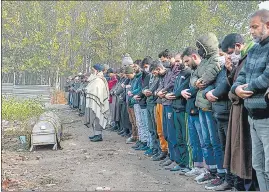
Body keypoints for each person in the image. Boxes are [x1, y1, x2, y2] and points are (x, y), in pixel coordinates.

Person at [231, 9, 269, 191]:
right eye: (250, 28)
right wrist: (237, 88)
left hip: (266, 117)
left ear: (267, 26)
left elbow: (267, 77)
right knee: (258, 166)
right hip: (252, 117)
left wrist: (247, 87)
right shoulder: (253, 50)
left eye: (255, 27)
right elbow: (242, 75)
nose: (251, 31)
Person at [221, 33, 255, 191]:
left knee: (246, 151)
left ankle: (247, 186)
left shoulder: (250, 57)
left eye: (230, 52)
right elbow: (235, 83)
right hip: (237, 110)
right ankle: (240, 183)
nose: (229, 56)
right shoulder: (240, 61)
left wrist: (233, 92)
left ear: (238, 46)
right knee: (238, 150)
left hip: (245, 111)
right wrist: (230, 71)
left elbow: (244, 86)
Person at [190, 32, 225, 188]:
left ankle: (220, 172)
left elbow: (205, 78)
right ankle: (210, 170)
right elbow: (194, 78)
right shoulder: (204, 61)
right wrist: (196, 82)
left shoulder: (216, 60)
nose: (199, 51)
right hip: (201, 106)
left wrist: (197, 82)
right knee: (205, 142)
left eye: (201, 47)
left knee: (214, 141)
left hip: (210, 108)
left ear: (208, 46)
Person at [180, 47, 207, 180]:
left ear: (194, 56)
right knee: (194, 141)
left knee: (204, 141)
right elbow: (192, 87)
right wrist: (184, 91)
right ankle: (197, 166)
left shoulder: (204, 70)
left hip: (199, 109)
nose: (186, 64)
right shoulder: (193, 71)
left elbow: (200, 87)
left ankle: (207, 169)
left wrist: (189, 92)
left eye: (187, 61)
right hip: (190, 108)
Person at [165, 52, 192, 173]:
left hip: (182, 109)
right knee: (178, 137)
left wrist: (173, 95)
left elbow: (181, 90)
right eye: (175, 61)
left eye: (178, 61)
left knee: (186, 138)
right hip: (175, 107)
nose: (177, 63)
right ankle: (181, 162)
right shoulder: (178, 74)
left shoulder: (188, 73)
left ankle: (187, 163)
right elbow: (176, 90)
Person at [154, 50, 180, 163]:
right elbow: (163, 84)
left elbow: (172, 84)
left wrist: (162, 91)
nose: (165, 62)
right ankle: (170, 155)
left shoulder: (177, 70)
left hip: (171, 103)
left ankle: (175, 158)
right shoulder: (168, 71)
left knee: (172, 132)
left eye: (166, 60)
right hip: (164, 102)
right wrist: (158, 92)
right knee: (166, 131)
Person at [85, 64, 110, 142]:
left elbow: (96, 90)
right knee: (94, 118)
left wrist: (88, 91)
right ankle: (96, 134)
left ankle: (98, 135)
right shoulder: (95, 79)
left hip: (98, 102)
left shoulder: (99, 80)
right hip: (94, 102)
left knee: (98, 117)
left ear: (98, 71)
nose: (92, 72)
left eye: (93, 70)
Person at [132, 59, 151, 151]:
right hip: (140, 102)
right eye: (144, 67)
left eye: (146, 67)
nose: (145, 69)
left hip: (146, 102)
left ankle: (148, 143)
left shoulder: (149, 76)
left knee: (148, 125)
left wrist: (139, 94)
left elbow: (144, 88)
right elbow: (142, 88)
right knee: (140, 123)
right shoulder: (141, 76)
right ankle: (143, 140)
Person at [143, 60, 161, 157]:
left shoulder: (159, 78)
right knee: (151, 127)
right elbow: (146, 87)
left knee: (156, 128)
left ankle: (159, 149)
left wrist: (151, 92)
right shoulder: (151, 77)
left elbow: (154, 89)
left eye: (154, 71)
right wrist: (145, 90)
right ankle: (154, 148)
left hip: (154, 104)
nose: (153, 73)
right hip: (149, 103)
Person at [125, 65, 140, 144]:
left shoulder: (137, 79)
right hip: (129, 102)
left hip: (134, 102)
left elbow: (138, 89)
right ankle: (134, 135)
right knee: (132, 121)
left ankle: (137, 137)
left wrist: (132, 92)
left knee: (136, 121)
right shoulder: (129, 80)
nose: (127, 77)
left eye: (128, 75)